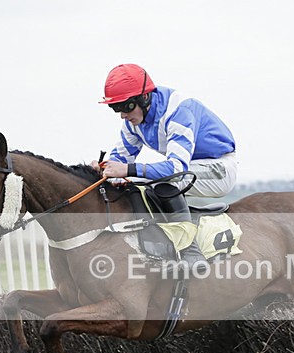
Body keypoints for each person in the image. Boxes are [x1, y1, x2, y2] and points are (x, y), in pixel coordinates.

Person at [93, 63, 237, 275]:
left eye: (126, 106)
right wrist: (103, 169)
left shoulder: (179, 112)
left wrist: (128, 169)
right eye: (116, 108)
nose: (122, 115)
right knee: (136, 185)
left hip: (218, 169)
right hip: (192, 166)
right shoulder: (134, 122)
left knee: (164, 180)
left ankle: (191, 251)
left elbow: (176, 167)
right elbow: (120, 158)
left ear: (144, 98)